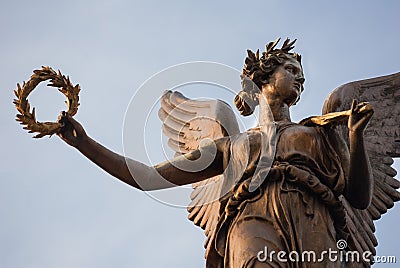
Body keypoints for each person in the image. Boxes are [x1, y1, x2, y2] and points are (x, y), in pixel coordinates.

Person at [57, 38, 374, 267]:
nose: (300, 78)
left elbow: (359, 197)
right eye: (291, 69)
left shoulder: (320, 132)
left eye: (301, 75)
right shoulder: (231, 146)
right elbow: (148, 177)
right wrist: (84, 143)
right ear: (263, 78)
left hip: (314, 220)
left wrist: (356, 136)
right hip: (251, 220)